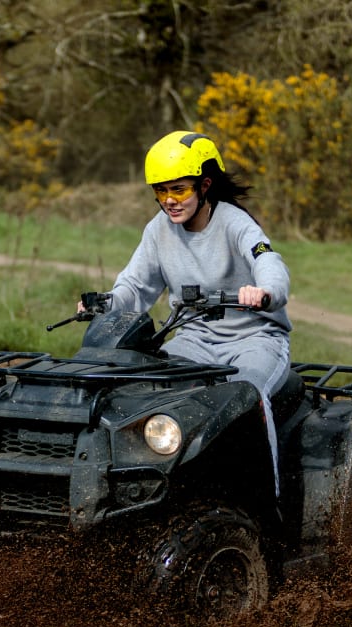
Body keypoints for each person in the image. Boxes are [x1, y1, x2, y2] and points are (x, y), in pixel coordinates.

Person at [99, 130, 292, 493]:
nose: (169, 201)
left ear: (204, 185)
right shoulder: (158, 231)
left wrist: (265, 292)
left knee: (246, 394)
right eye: (161, 191)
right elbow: (135, 286)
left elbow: (269, 263)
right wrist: (107, 304)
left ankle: (269, 498)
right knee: (148, 383)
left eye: (179, 190)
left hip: (256, 340)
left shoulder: (235, 223)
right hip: (195, 339)